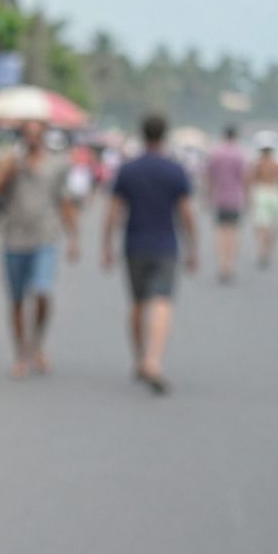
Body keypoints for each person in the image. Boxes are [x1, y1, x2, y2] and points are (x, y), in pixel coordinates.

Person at [102, 115, 197, 395]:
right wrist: (193, 247)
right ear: (164, 135)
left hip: (134, 243)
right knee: (162, 302)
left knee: (138, 302)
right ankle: (153, 361)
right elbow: (186, 212)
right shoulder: (174, 170)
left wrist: (106, 245)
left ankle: (139, 358)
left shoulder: (128, 169)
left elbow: (113, 211)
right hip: (165, 245)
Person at [0, 120, 79, 378]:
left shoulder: (57, 164)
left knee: (42, 290)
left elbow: (65, 201)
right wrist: (5, 171)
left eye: (37, 134)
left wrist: (73, 237)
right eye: (28, 134)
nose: (33, 139)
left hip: (45, 237)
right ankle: (20, 352)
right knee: (16, 299)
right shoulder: (10, 162)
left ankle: (37, 342)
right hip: (14, 237)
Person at [205, 125, 248, 283]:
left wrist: (208, 195)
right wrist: (248, 198)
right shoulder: (240, 154)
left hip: (219, 198)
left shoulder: (215, 153)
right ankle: (229, 265)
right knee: (233, 233)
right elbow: (245, 178)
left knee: (220, 233)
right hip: (235, 198)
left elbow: (209, 176)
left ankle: (221, 264)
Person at [248, 136, 278, 268]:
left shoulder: (258, 164)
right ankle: (268, 251)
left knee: (261, 226)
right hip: (273, 194)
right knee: (272, 226)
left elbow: (252, 180)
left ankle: (261, 251)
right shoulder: (277, 164)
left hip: (261, 194)